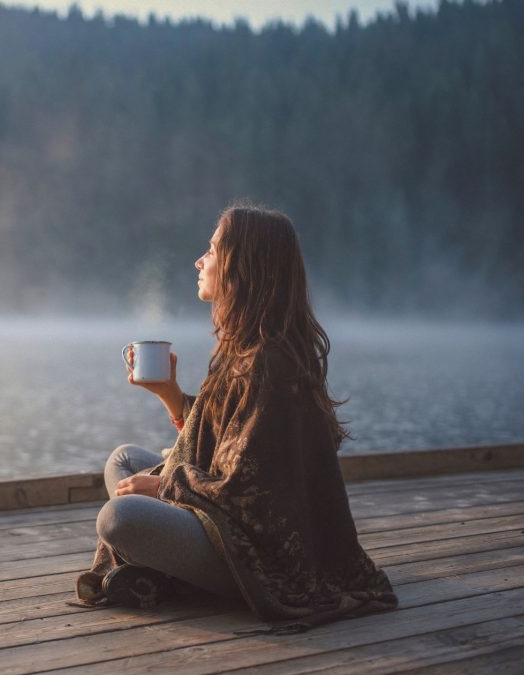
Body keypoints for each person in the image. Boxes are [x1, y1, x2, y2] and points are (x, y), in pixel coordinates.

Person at [73, 203, 398, 634]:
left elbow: (248, 490)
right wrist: (169, 394)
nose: (199, 260)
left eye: (211, 250)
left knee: (120, 519)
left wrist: (165, 484)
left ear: (242, 266)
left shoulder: (270, 363)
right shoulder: (245, 348)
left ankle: (173, 574)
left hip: (263, 555)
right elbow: (222, 440)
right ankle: (162, 567)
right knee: (125, 460)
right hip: (226, 520)